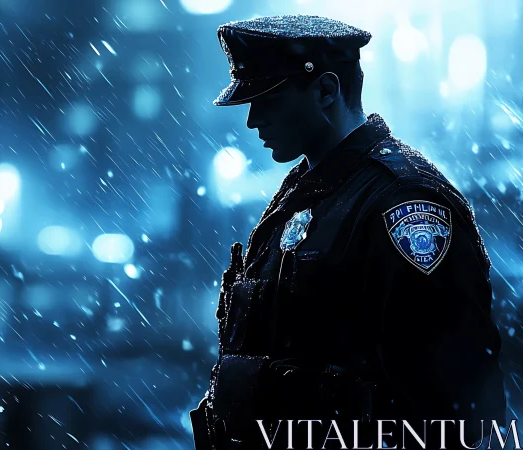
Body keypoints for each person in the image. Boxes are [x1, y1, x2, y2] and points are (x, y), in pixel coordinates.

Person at [189, 14, 507, 450]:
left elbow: (453, 414)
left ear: (325, 91)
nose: (252, 121)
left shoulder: (404, 203)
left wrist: (268, 390)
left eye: (269, 100)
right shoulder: (307, 191)